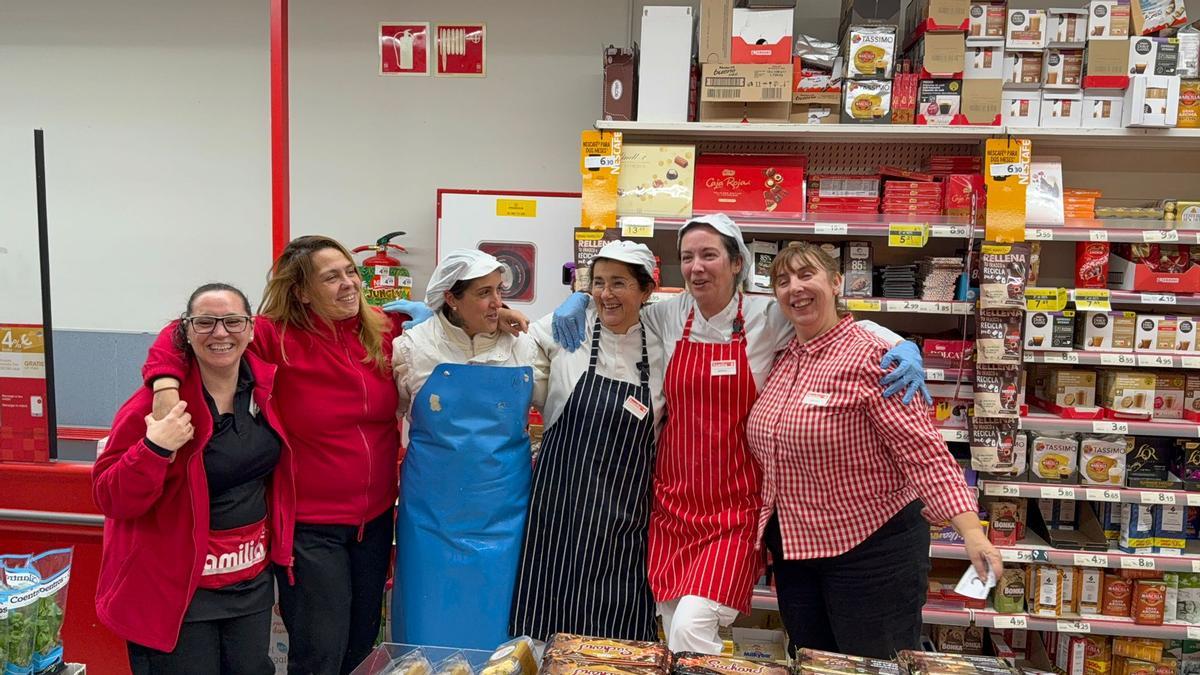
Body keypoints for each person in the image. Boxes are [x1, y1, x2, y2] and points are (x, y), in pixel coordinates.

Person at [550, 214, 929, 653]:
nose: (696, 266)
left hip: (736, 508)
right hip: (673, 505)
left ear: (737, 264)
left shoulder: (769, 316)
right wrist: (580, 298)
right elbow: (617, 306)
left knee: (691, 628)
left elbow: (832, 324)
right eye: (688, 257)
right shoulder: (668, 315)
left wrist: (898, 342)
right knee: (674, 628)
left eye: (709, 255)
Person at [141, 236, 401, 675]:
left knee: (361, 650)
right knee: (320, 654)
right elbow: (179, 332)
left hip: (374, 524)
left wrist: (504, 315)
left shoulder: (379, 332)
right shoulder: (272, 336)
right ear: (301, 290)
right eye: (331, 277)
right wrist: (165, 386)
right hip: (312, 529)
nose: (348, 284)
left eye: (350, 272)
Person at [746, 243, 1001, 659]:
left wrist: (972, 532)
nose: (796, 287)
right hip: (797, 552)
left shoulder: (875, 358)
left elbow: (924, 452)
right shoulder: (782, 357)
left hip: (871, 551)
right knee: (814, 663)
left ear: (836, 281)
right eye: (783, 280)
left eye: (807, 274)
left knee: (875, 664)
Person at [94, 283, 295, 675]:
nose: (220, 334)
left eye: (233, 322)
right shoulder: (153, 407)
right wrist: (154, 448)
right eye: (205, 323)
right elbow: (109, 497)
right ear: (186, 332)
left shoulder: (265, 390)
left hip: (249, 586)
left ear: (252, 329)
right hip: (177, 596)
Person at [509, 241, 664, 641]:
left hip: (625, 520)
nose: (605, 294)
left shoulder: (662, 343)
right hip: (559, 514)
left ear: (646, 291)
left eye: (619, 283)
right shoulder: (566, 329)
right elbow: (514, 340)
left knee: (618, 635)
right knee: (544, 626)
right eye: (597, 283)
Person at [391, 249, 540, 650]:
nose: (498, 303)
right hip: (432, 515)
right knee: (429, 619)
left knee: (497, 622)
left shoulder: (522, 347)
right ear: (452, 298)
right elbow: (390, 416)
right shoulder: (411, 348)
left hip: (505, 512)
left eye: (500, 291)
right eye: (484, 293)